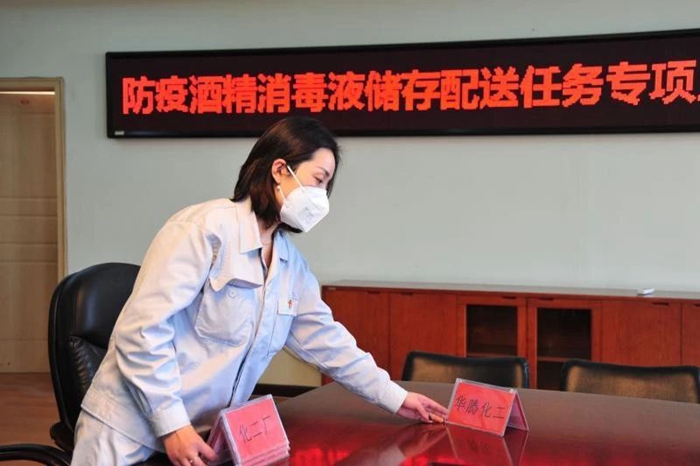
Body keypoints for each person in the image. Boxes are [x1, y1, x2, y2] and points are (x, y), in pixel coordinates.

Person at [72, 116, 448, 465]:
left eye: (327, 186)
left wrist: (396, 398)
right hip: (131, 430)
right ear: (280, 169)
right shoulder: (203, 229)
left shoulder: (289, 263)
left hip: (201, 438)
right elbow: (141, 330)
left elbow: (330, 343)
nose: (322, 196)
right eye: (318, 180)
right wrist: (172, 425)